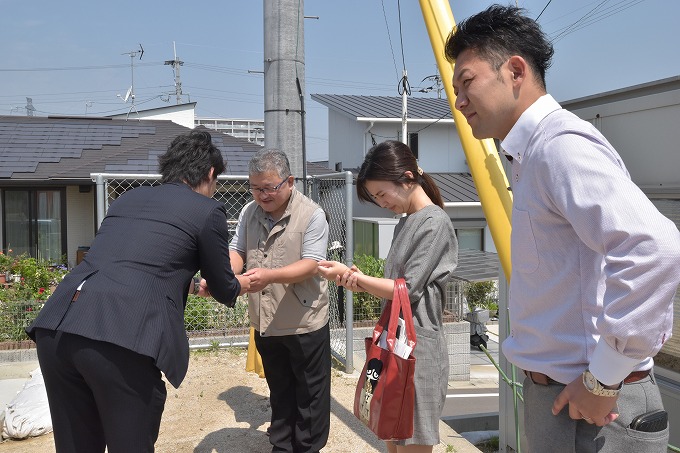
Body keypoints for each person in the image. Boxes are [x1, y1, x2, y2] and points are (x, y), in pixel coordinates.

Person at [445, 5, 680, 452]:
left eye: (467, 81)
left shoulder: (559, 147)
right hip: (568, 397)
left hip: (593, 406)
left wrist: (603, 380)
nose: (458, 100)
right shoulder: (531, 153)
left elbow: (655, 248)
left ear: (514, 70)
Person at [26, 130, 250, 453]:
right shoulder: (207, 211)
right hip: (119, 338)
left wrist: (186, 283)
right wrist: (256, 280)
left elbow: (130, 263)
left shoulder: (128, 199)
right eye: (215, 183)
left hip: (58, 327)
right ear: (210, 174)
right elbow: (225, 287)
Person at [318, 140, 458, 453]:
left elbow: (407, 290)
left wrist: (357, 277)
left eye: (382, 194)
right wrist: (357, 281)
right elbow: (396, 287)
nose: (382, 203)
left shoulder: (435, 222)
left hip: (417, 354)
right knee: (392, 440)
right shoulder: (406, 222)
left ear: (407, 178)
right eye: (376, 197)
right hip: (398, 347)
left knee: (409, 443)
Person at [229, 148, 331, 453]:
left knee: (310, 395)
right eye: (255, 188)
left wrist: (269, 276)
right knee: (280, 389)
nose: (262, 195)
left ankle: (307, 447)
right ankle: (282, 446)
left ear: (289, 181)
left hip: (304, 322)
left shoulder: (312, 214)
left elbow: (312, 263)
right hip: (266, 320)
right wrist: (227, 274)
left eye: (269, 188)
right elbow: (237, 250)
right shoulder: (249, 212)